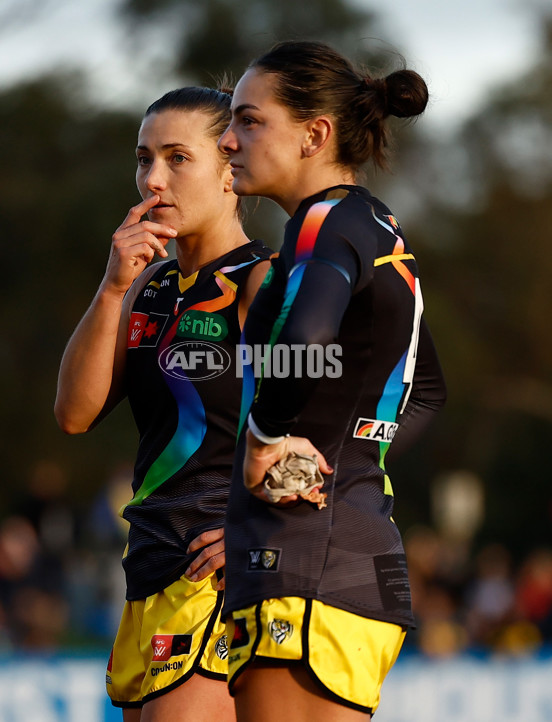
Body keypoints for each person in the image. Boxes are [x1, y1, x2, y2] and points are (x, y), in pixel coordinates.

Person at [218, 40, 447, 721]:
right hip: (351, 550)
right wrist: (351, 458)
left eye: (250, 120)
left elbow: (305, 342)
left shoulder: (324, 222)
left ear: (315, 135)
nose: (228, 139)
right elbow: (427, 391)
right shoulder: (372, 226)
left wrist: (266, 438)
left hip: (303, 562)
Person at [55, 86, 271, 722]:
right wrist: (112, 286)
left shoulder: (263, 280)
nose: (153, 179)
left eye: (178, 158)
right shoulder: (147, 284)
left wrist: (260, 531)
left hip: (218, 574)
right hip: (150, 564)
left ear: (231, 166)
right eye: (144, 158)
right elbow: (74, 414)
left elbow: (343, 421)